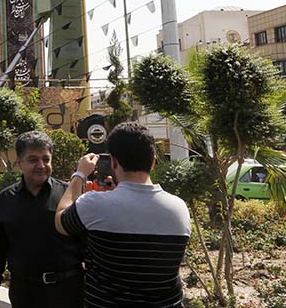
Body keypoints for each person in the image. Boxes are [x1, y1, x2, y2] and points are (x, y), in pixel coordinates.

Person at [55, 122, 191, 307]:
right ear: (153, 160)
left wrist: (79, 174)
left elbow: (61, 220)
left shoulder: (94, 205)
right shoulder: (179, 208)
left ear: (113, 162)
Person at [0, 131, 83, 308]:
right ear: (19, 163)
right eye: (33, 159)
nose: (41, 165)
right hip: (25, 293)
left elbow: (87, 242)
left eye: (46, 159)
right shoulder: (5, 200)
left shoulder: (69, 195)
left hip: (68, 292)